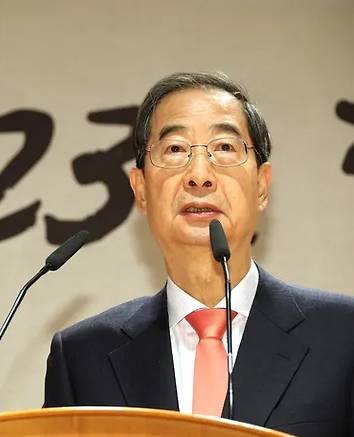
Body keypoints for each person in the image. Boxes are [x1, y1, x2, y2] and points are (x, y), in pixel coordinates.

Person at [43, 72, 354, 436]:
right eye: (175, 150)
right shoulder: (83, 357)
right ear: (140, 190)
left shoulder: (343, 336)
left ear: (262, 186)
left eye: (224, 148)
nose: (199, 175)